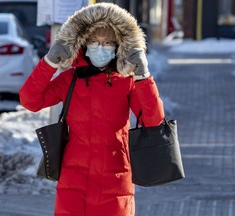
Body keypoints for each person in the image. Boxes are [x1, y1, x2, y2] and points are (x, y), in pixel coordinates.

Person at [19, 3, 164, 216]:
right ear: (83, 44)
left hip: (115, 181)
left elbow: (153, 122)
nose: (100, 47)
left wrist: (144, 76)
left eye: (107, 43)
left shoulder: (127, 81)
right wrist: (49, 62)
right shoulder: (71, 79)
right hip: (73, 181)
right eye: (94, 42)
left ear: (118, 46)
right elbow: (30, 100)